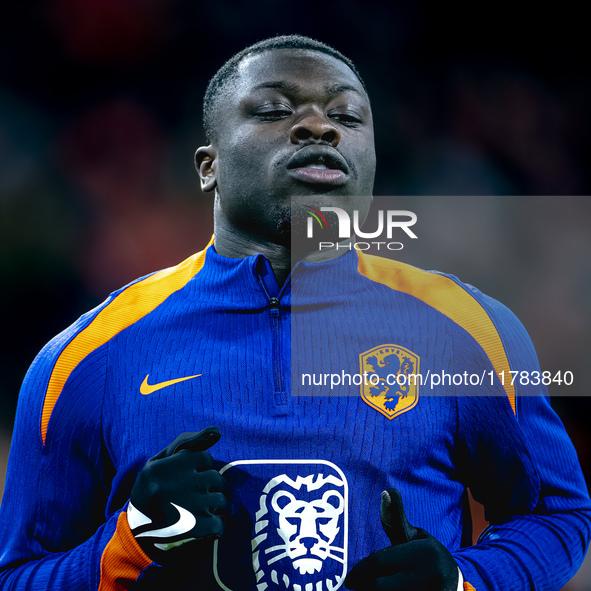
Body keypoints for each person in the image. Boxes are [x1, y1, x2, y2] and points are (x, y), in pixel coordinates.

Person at [0, 35, 589, 591]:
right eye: (275, 110)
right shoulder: (85, 358)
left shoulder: (468, 331)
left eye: (348, 117)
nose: (319, 125)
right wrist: (131, 541)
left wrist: (467, 581)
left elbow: (558, 516)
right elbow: (19, 576)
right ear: (207, 166)